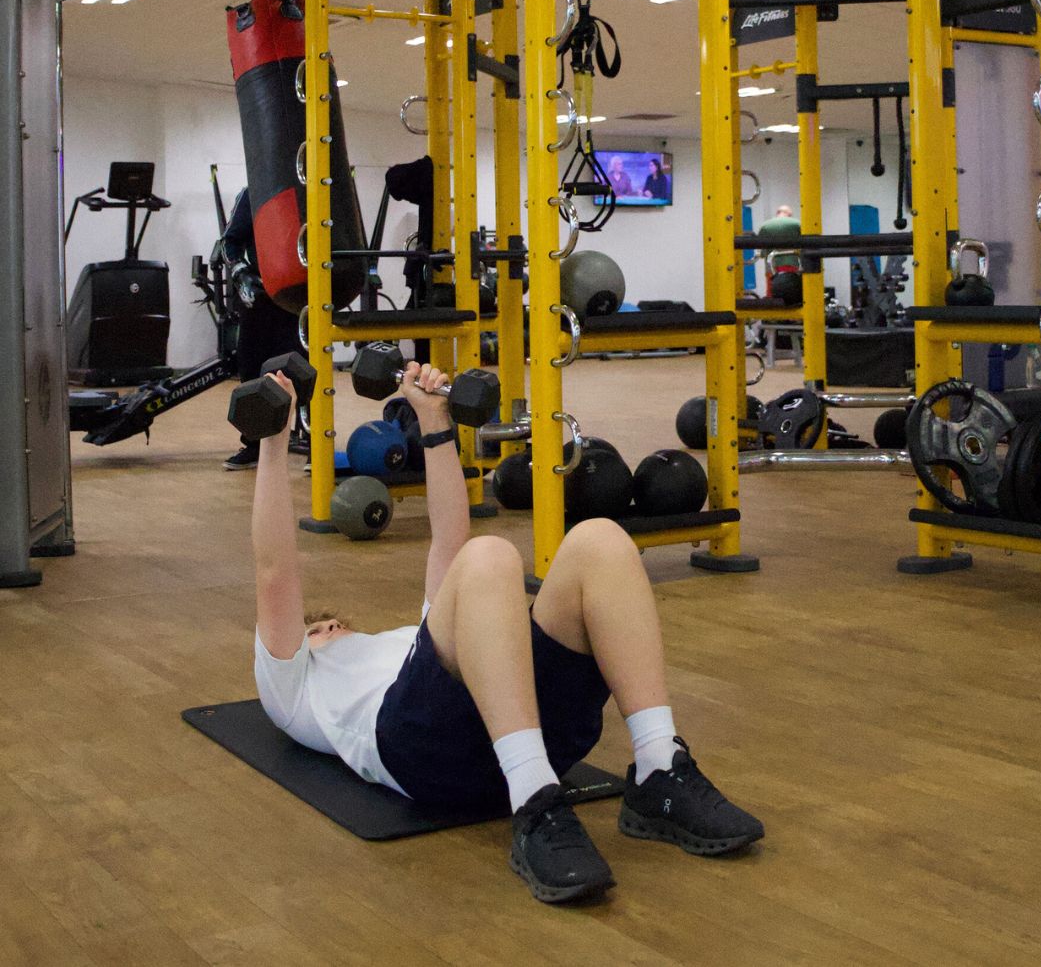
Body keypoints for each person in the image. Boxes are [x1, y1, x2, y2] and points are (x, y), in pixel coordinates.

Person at [252, 363, 764, 905]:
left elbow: (449, 538)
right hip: (425, 753)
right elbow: (275, 573)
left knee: (600, 540)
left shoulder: (419, 638)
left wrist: (435, 423)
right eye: (316, 629)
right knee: (490, 557)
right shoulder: (292, 690)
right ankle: (535, 800)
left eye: (335, 621)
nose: (328, 626)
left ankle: (659, 765)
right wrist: (273, 442)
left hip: (535, 729)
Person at [222, 188, 308, 470]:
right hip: (260, 295)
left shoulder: (317, 189)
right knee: (252, 367)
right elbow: (230, 243)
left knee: (305, 371)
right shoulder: (253, 191)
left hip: (301, 295)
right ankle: (255, 443)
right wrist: (241, 274)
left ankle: (315, 442)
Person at [757, 204, 801, 294]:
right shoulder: (797, 224)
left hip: (771, 266)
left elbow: (761, 250)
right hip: (792, 265)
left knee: (772, 293)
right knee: (792, 291)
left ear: (778, 213)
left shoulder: (765, 226)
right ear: (789, 214)